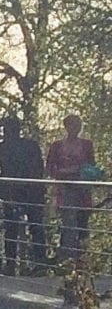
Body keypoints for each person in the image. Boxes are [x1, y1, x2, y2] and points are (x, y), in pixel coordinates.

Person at [0, 116, 47, 275]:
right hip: (28, 190)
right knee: (33, 226)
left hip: (18, 191)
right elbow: (38, 168)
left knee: (14, 228)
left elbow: (7, 168)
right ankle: (38, 261)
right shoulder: (30, 146)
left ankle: (12, 263)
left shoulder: (4, 147)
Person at [46, 112, 98, 262]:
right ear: (66, 127)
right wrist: (62, 172)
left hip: (82, 188)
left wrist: (84, 172)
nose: (76, 129)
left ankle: (82, 257)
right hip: (64, 188)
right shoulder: (57, 146)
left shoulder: (87, 144)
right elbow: (49, 167)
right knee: (68, 221)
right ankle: (67, 257)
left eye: (78, 126)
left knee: (82, 220)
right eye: (73, 125)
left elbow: (91, 165)